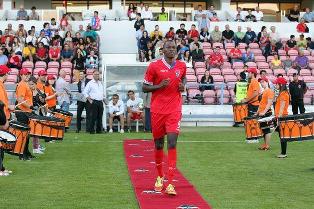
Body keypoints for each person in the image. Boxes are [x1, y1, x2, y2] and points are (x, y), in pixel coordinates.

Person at [142, 40, 186, 196]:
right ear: (163, 50)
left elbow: (183, 80)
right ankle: (160, 176)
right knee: (159, 144)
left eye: (174, 48)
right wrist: (159, 86)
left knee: (172, 143)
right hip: (157, 111)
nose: (172, 50)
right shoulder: (154, 66)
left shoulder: (181, 65)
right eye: (169, 48)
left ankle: (170, 183)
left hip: (174, 110)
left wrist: (183, 87)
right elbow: (144, 87)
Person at [15, 68, 33, 160]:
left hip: (25, 112)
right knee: (23, 134)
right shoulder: (22, 85)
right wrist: (30, 107)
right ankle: (22, 154)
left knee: (26, 134)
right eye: (25, 74)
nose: (27, 76)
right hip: (22, 112)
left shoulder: (25, 84)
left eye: (28, 74)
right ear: (21, 75)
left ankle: (26, 152)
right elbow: (20, 100)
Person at [255, 77, 274, 150]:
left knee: (266, 129)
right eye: (261, 82)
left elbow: (269, 103)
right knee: (263, 129)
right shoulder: (263, 92)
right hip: (262, 112)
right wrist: (257, 112)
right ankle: (265, 144)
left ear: (267, 82)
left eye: (263, 82)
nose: (261, 83)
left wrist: (264, 112)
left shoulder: (269, 91)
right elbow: (261, 104)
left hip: (266, 112)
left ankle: (267, 145)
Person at [273, 77, 290, 158]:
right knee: (282, 135)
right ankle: (283, 153)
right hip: (281, 117)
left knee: (283, 136)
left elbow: (282, 107)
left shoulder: (283, 94)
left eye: (276, 84)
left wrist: (278, 118)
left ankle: (283, 153)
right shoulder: (282, 93)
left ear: (280, 84)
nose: (275, 85)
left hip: (282, 117)